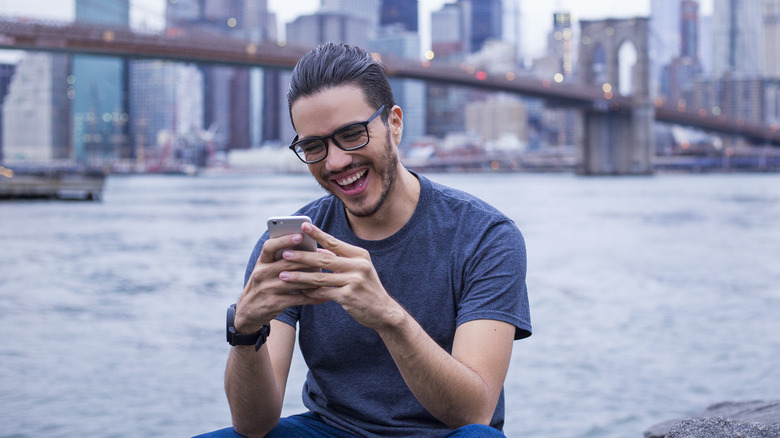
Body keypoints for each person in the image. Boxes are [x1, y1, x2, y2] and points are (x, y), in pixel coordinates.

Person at [197, 42, 531, 438]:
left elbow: (474, 412)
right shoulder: (292, 244)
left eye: (352, 134)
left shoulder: (486, 237)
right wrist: (245, 331)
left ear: (394, 124)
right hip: (329, 429)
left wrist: (388, 317)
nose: (336, 162)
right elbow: (254, 426)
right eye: (314, 146)